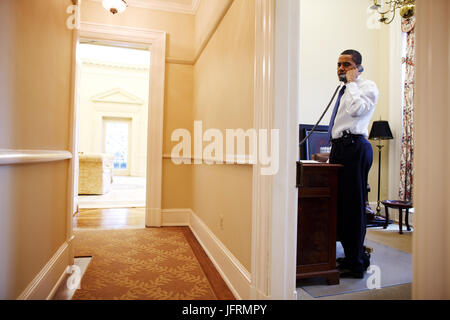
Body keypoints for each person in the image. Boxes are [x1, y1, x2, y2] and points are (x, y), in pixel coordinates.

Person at [328, 49, 379, 278]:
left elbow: (356, 110)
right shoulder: (345, 90)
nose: (341, 68)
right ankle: (350, 255)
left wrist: (351, 84)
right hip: (340, 148)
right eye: (339, 64)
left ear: (358, 67)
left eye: (346, 64)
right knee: (340, 205)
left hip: (356, 147)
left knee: (354, 206)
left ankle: (357, 263)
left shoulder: (366, 87)